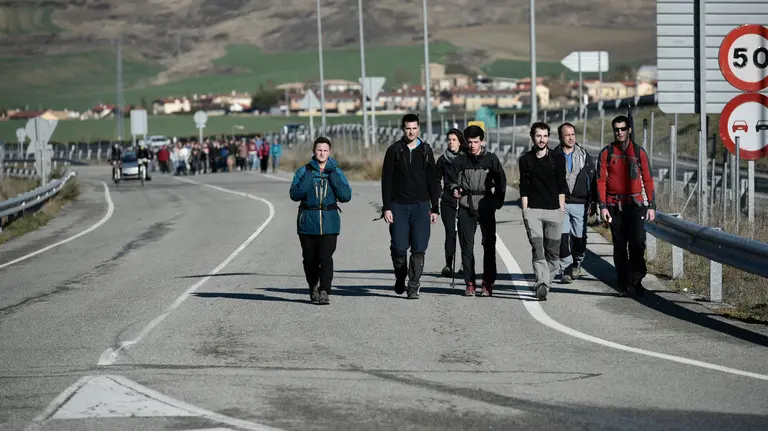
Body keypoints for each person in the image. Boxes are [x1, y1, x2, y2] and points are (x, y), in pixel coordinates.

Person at [380, 113, 440, 299]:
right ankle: (400, 276)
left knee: (419, 247)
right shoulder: (394, 151)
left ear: (418, 128)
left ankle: (413, 286)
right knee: (398, 247)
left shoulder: (426, 151)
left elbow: (433, 181)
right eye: (408, 128)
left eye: (414, 128)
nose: (411, 132)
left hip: (421, 206)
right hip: (398, 205)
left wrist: (435, 207)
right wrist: (387, 207)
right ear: (403, 129)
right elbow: (386, 180)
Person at [596, 115, 656, 297]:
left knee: (637, 244)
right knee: (620, 246)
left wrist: (652, 205)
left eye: (623, 129)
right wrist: (603, 206)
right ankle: (623, 282)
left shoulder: (639, 152)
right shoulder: (607, 152)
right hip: (615, 207)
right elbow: (600, 181)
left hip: (635, 206)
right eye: (616, 129)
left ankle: (636, 280)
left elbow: (648, 179)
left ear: (629, 130)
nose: (619, 132)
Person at [289, 137, 352, 305]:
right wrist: (309, 178)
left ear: (329, 152)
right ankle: (313, 285)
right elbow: (295, 195)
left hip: (329, 222)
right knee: (309, 259)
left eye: (325, 150)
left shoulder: (336, 172)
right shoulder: (303, 172)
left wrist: (333, 177)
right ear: (314, 151)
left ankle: (324, 290)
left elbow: (346, 196)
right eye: (319, 150)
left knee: (325, 257)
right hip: (307, 221)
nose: (322, 153)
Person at [449, 125, 507, 296]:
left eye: (476, 142)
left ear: (482, 141)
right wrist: (454, 188)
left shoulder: (491, 159)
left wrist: (498, 202)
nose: (473, 145)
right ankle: (470, 283)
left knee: (489, 245)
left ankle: (487, 282)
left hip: (486, 206)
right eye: (469, 142)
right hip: (466, 206)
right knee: (466, 246)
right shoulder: (460, 160)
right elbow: (450, 179)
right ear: (465, 143)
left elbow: (501, 181)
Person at [519, 122, 567, 301]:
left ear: (549, 137)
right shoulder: (525, 160)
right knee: (538, 249)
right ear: (533, 137)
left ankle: (546, 282)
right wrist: (525, 210)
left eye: (545, 136)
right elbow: (524, 187)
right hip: (533, 211)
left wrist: (561, 209)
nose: (542, 139)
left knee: (553, 254)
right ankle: (541, 283)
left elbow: (562, 185)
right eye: (538, 136)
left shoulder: (557, 158)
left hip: (554, 211)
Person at [554, 122, 596, 283]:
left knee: (579, 237)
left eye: (572, 134)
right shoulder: (554, 155)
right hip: (560, 202)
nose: (571, 138)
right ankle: (564, 269)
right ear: (560, 137)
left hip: (580, 203)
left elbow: (592, 179)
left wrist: (593, 202)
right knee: (562, 237)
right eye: (567, 135)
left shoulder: (584, 155)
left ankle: (577, 262)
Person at [435, 128, 467, 277]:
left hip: (465, 201)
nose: (451, 142)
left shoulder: (467, 158)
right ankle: (448, 265)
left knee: (464, 234)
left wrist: (462, 190)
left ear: (460, 142)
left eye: (454, 140)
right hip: (448, 201)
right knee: (450, 233)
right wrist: (441, 192)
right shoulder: (442, 160)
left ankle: (464, 264)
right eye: (449, 140)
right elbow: (436, 179)